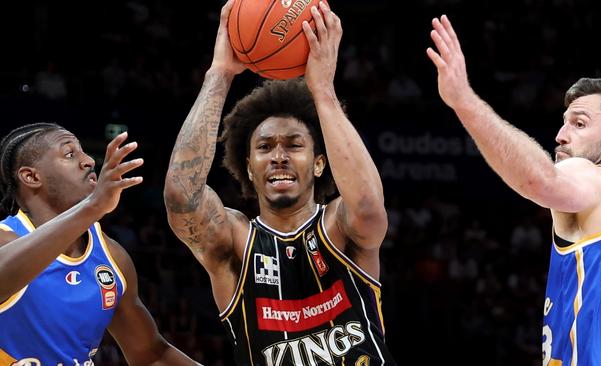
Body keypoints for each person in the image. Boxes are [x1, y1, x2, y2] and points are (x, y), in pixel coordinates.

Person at [163, 1, 396, 365]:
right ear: (249, 168)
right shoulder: (235, 241)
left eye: (294, 145)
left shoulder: (340, 226)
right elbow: (181, 197)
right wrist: (220, 73)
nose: (279, 156)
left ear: (320, 163)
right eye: (265, 147)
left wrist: (323, 92)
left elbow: (368, 205)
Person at [427, 15, 601, 365]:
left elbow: (540, 180)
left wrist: (463, 101)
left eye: (578, 124)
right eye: (563, 123)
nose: (560, 136)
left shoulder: (597, 178)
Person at [0, 123, 199, 365]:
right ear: (31, 177)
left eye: (84, 152)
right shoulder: (6, 239)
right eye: (70, 154)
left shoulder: (112, 257)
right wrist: (93, 207)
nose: (89, 161)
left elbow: (151, 355)